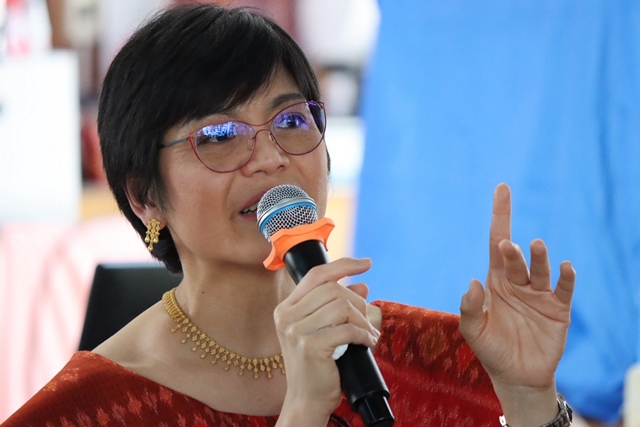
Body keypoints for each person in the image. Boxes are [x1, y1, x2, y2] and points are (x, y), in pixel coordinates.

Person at [1, 4, 576, 426]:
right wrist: (302, 411)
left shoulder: (436, 355)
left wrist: (530, 400)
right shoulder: (89, 412)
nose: (271, 157)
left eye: (292, 121)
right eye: (220, 136)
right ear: (144, 196)